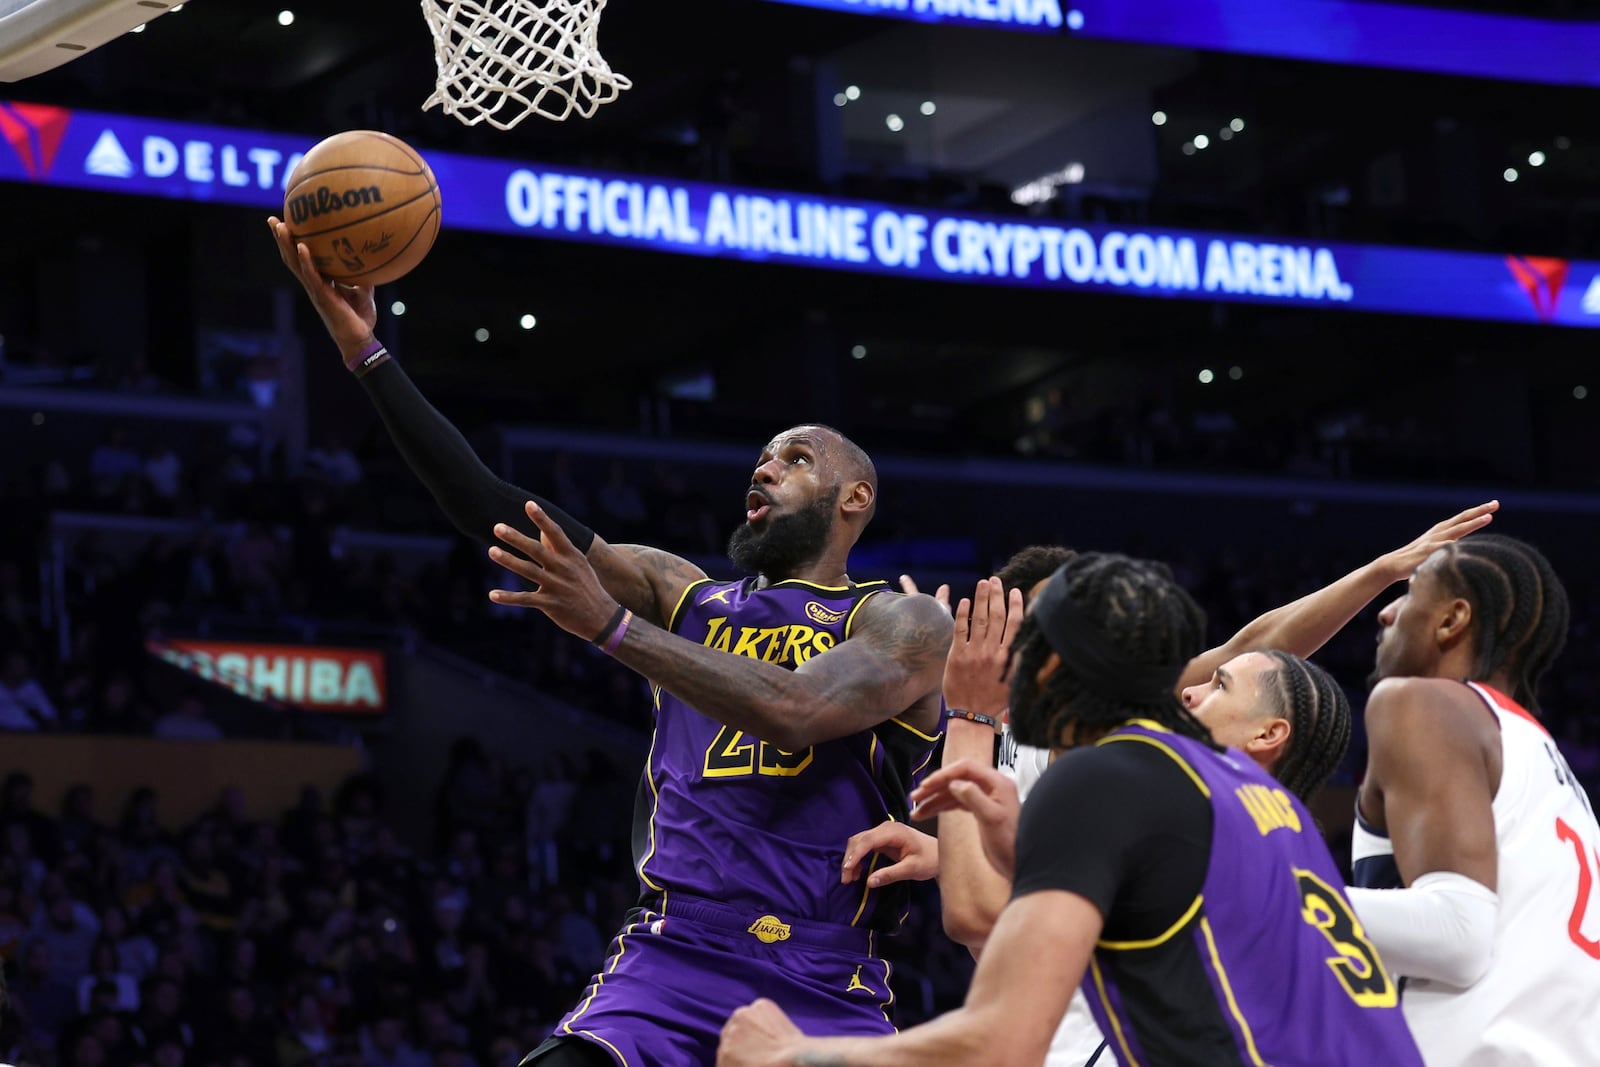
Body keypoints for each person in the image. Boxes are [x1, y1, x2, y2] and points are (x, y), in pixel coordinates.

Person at [269, 219, 952, 1067]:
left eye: (795, 459)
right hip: (673, 958)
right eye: (762, 459)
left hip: (825, 974)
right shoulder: (683, 591)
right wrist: (367, 355)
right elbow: (489, 499)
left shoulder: (900, 622)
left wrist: (610, 627)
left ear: (855, 498)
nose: (764, 469)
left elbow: (797, 709)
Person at [719, 552, 1424, 1067]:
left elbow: (998, 1029)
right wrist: (1019, 839)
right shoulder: (1255, 796)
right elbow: (1159, 892)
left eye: (1022, 643)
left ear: (1050, 668)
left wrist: (794, 1053)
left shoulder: (1104, 778)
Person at [867, 507, 1484, 1065]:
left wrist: (1377, 572)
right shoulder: (1011, 736)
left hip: (1096, 1018)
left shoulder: (1114, 740)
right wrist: (952, 852)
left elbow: (1252, 647)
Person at [1349, 533, 1600, 1066]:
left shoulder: (1419, 702)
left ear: (1450, 620)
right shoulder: (1542, 757)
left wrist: (1261, 888)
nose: (1386, 614)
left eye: (1410, 592)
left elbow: (1457, 933)